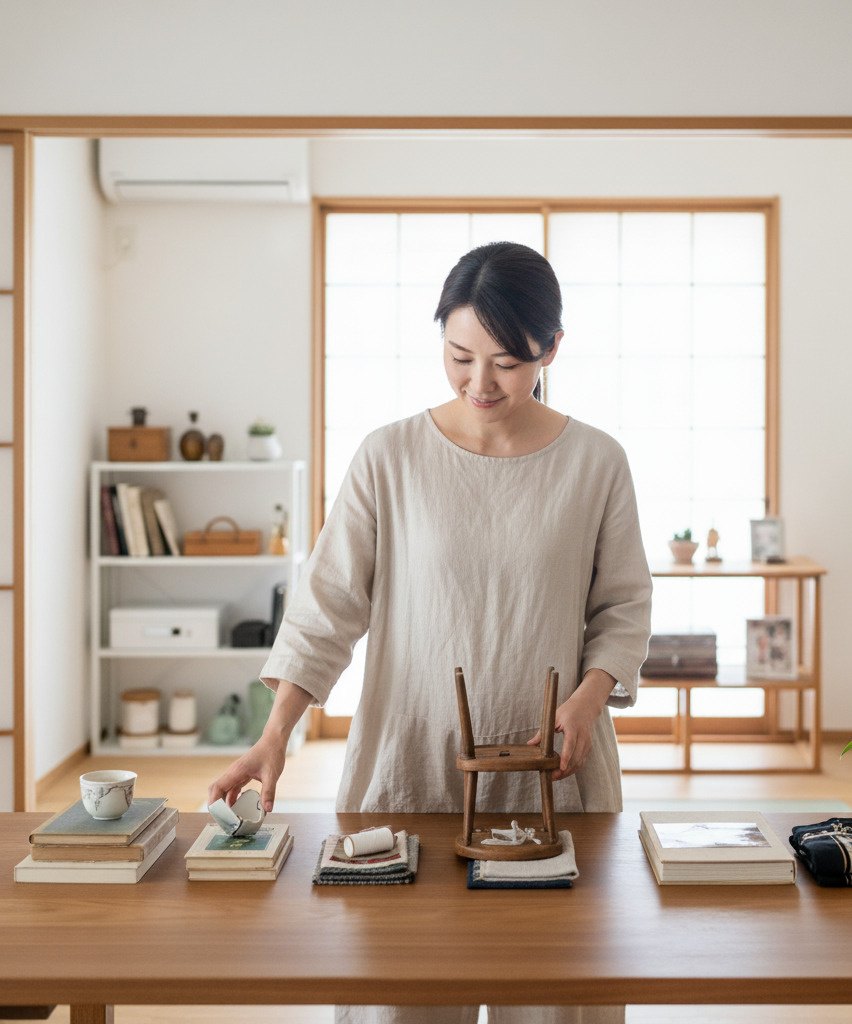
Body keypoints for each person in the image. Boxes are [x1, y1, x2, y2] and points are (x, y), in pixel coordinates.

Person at [208, 241, 653, 1024]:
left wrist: (589, 697)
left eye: (509, 362)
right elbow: (327, 609)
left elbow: (622, 607)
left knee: (555, 1005)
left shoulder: (596, 462)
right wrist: (276, 732)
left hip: (553, 783)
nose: (480, 383)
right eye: (459, 356)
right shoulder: (389, 457)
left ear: (551, 348)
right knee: (400, 1001)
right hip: (406, 779)